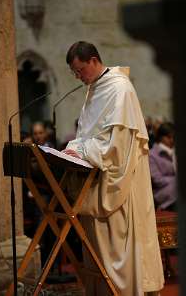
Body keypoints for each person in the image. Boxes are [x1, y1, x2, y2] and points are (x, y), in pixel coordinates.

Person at [63, 41, 164, 296]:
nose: (78, 77)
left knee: (120, 243)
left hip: (120, 181)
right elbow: (88, 133)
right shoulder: (95, 89)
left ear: (94, 61)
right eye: (74, 73)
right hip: (97, 177)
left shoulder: (120, 90)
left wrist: (83, 150)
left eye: (80, 70)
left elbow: (118, 147)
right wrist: (74, 148)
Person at [149, 122, 177, 211]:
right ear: (161, 137)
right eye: (169, 137)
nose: (172, 140)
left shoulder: (176, 151)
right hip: (163, 195)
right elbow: (157, 180)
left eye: (174, 137)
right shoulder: (152, 155)